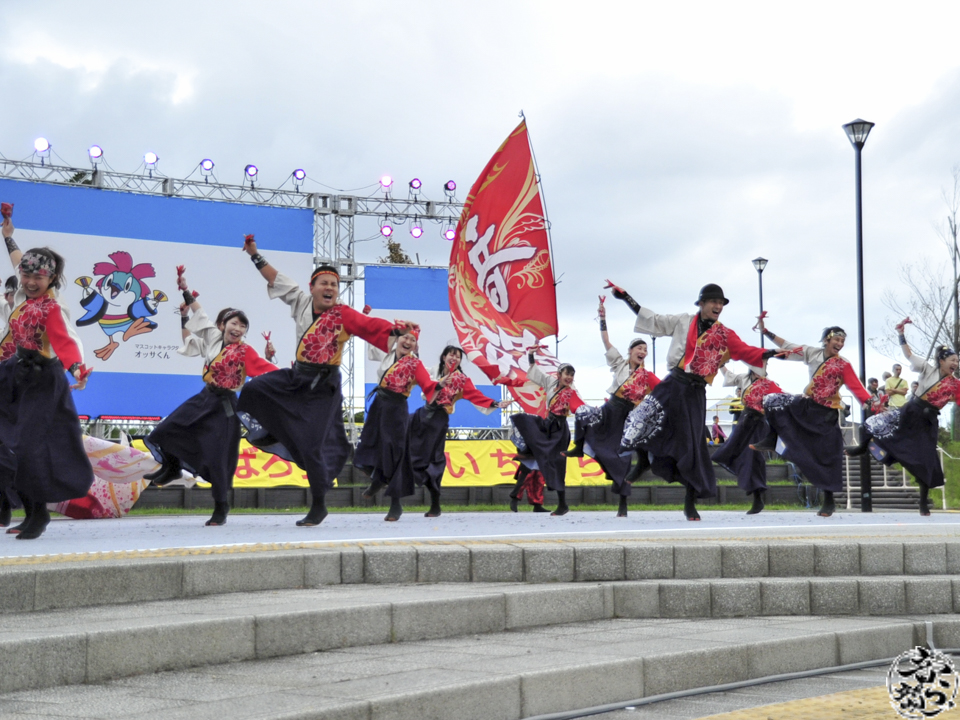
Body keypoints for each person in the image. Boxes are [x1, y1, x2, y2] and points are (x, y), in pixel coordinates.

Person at [236, 235, 415, 527]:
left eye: (334, 284)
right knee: (254, 389)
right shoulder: (300, 300)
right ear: (312, 287)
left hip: (324, 386)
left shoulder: (343, 315)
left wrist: (397, 331)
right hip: (297, 377)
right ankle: (272, 432)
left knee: (313, 446)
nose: (330, 287)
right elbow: (274, 277)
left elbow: (370, 326)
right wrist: (254, 254)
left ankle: (318, 505)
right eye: (324, 283)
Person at [617, 282, 779, 521]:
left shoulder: (724, 334)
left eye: (721, 303)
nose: (718, 306)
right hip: (672, 386)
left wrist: (771, 353)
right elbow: (654, 321)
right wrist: (626, 298)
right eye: (713, 302)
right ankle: (640, 461)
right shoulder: (683, 321)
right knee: (642, 422)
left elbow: (745, 350)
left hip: (694, 393)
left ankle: (689, 501)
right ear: (702, 303)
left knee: (693, 447)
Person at [143, 271, 278, 526]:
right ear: (222, 325)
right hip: (204, 398)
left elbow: (265, 369)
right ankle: (172, 466)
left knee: (219, 459)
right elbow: (199, 316)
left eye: (243, 326)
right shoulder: (213, 339)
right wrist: (185, 291)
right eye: (234, 323)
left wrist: (292, 375)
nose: (238, 329)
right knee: (165, 430)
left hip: (225, 406)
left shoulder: (244, 351)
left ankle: (221, 508)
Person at [0, 216, 93, 539]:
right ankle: (25, 510)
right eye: (25, 275)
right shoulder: (25, 294)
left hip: (42, 380)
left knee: (28, 448)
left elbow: (65, 340)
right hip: (15, 374)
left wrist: (77, 368)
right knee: (9, 445)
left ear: (51, 278)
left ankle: (38, 513)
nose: (29, 281)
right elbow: (18, 261)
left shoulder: (52, 307)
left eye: (37, 277)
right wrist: (8, 236)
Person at [752, 322, 872, 517]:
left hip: (826, 413)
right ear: (826, 340)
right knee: (772, 400)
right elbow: (788, 346)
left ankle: (829, 501)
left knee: (826, 456)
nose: (840, 344)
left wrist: (870, 402)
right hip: (807, 406)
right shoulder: (812, 353)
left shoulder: (843, 364)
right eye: (837, 340)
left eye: (842, 341)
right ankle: (772, 437)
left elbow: (856, 386)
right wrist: (766, 332)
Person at [847, 319, 959, 516]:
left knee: (926, 462)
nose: (956, 364)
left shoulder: (955, 384)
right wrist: (901, 334)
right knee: (870, 424)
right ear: (942, 361)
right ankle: (863, 447)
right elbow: (909, 355)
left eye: (957, 361)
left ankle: (923, 503)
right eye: (953, 360)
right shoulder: (927, 369)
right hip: (910, 412)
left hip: (927, 422)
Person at [389, 345, 508, 519]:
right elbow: (416, 370)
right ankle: (394, 504)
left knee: (431, 464)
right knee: (402, 455)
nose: (454, 358)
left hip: (438, 422)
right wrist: (414, 352)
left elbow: (476, 396)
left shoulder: (461, 380)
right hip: (421, 417)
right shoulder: (432, 372)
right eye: (451, 355)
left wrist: (496, 403)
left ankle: (435, 503)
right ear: (443, 357)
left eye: (458, 356)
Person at [566, 298, 660, 517]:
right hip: (610, 412)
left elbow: (664, 390)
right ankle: (579, 446)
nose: (643, 351)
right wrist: (602, 318)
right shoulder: (619, 363)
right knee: (583, 414)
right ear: (630, 351)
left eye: (645, 349)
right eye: (639, 348)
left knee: (622, 459)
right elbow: (606, 340)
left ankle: (622, 504)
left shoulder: (647, 376)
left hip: (628, 419)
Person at [355, 327, 437, 522]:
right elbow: (372, 341)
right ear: (398, 339)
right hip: (379, 405)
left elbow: (428, 383)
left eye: (412, 340)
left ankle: (395, 503)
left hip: (397, 408)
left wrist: (439, 388)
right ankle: (378, 478)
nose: (407, 342)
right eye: (405, 337)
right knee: (370, 444)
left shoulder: (414, 364)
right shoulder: (387, 353)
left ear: (416, 346)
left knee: (395, 453)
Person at [497, 346, 584, 516]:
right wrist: (531, 354)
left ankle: (562, 504)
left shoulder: (572, 392)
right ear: (559, 374)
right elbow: (535, 371)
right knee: (525, 427)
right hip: (547, 425)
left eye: (572, 375)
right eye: (567, 374)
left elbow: (580, 408)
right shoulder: (550, 382)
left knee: (557, 465)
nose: (569, 377)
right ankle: (516, 491)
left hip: (560, 431)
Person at [714, 361, 784, 514]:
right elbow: (728, 375)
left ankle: (757, 496)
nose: (761, 370)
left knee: (753, 457)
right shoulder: (743, 379)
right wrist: (721, 364)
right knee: (729, 453)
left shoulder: (769, 384)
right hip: (744, 421)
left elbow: (783, 397)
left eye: (764, 367)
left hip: (758, 423)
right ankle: (748, 481)